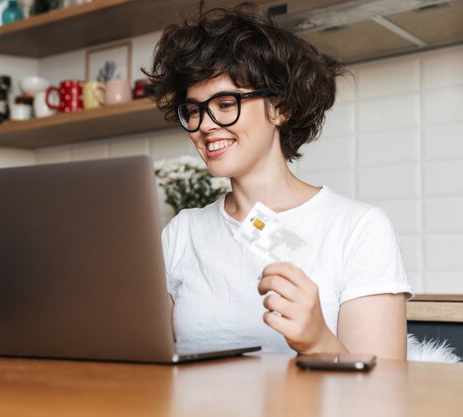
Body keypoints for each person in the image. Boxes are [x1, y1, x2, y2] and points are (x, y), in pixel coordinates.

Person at [143, 2, 413, 359]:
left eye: (226, 103)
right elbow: (149, 362)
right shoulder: (182, 232)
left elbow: (387, 395)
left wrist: (318, 341)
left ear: (280, 108)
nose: (205, 125)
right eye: (193, 110)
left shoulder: (359, 229)